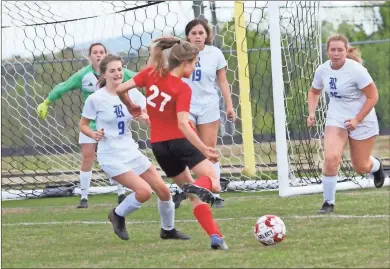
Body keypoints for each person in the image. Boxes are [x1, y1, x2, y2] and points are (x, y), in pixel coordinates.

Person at [116, 37, 228, 250]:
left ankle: (216, 236)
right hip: (179, 142)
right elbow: (184, 125)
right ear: (185, 62)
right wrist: (204, 148)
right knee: (213, 182)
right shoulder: (182, 88)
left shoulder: (150, 74)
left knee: (195, 197)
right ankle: (195, 186)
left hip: (159, 147)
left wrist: (131, 105)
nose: (194, 67)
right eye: (194, 63)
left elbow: (121, 89)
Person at [80, 54, 190, 241]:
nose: (117, 74)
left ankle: (168, 230)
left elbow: (149, 114)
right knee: (144, 192)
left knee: (164, 191)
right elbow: (83, 124)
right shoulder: (95, 99)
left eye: (120, 69)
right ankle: (117, 214)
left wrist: (146, 118)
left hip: (130, 150)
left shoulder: (132, 93)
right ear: (104, 75)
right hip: (111, 155)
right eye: (112, 71)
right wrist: (93, 134)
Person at [36, 43, 130, 208]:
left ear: (105, 55)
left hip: (110, 121)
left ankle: (121, 192)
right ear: (90, 56)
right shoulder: (83, 75)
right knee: (87, 157)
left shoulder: (116, 71)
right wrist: (47, 101)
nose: (98, 55)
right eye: (95, 52)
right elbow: (63, 86)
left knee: (115, 156)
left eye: (101, 52)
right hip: (89, 122)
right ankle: (84, 197)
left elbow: (139, 77)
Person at [307, 34, 385, 214]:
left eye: (340, 50)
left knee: (361, 167)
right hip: (337, 117)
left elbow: (373, 96)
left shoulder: (356, 70)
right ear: (327, 52)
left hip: (363, 117)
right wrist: (311, 113)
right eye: (332, 50)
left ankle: (377, 166)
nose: (336, 53)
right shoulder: (323, 70)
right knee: (331, 158)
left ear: (346, 50)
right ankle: (328, 203)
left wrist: (357, 119)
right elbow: (313, 91)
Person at [173, 19, 236, 209]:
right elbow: (172, 78)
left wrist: (230, 105)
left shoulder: (215, 54)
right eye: (193, 33)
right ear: (188, 36)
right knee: (187, 149)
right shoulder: (180, 54)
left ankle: (214, 192)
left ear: (207, 35)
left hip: (208, 105)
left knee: (208, 149)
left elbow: (223, 81)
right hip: (186, 106)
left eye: (201, 33)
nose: (198, 36)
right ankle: (186, 189)